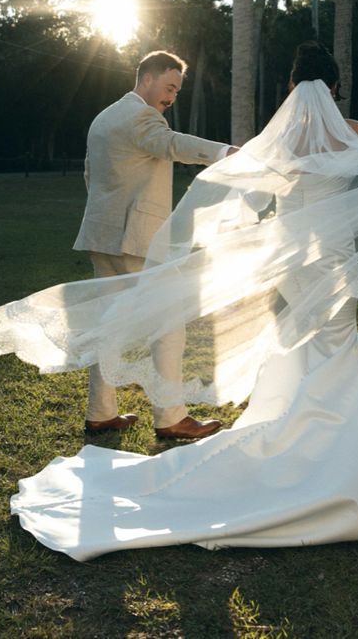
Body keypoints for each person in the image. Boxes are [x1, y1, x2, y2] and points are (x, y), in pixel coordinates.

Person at [0, 42, 358, 561]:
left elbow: (244, 183)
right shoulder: (350, 132)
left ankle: (305, 443)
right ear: (334, 87)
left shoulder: (279, 137)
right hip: (330, 261)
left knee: (307, 343)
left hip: (291, 265)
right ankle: (333, 459)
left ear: (291, 85)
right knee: (336, 344)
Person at [72, 50, 234, 440]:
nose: (172, 97)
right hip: (138, 240)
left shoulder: (103, 118)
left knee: (108, 328)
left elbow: (90, 175)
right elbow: (170, 144)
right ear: (148, 78)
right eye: (169, 87)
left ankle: (100, 413)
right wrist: (224, 153)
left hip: (102, 235)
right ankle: (171, 417)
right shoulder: (142, 117)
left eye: (177, 91)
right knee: (168, 323)